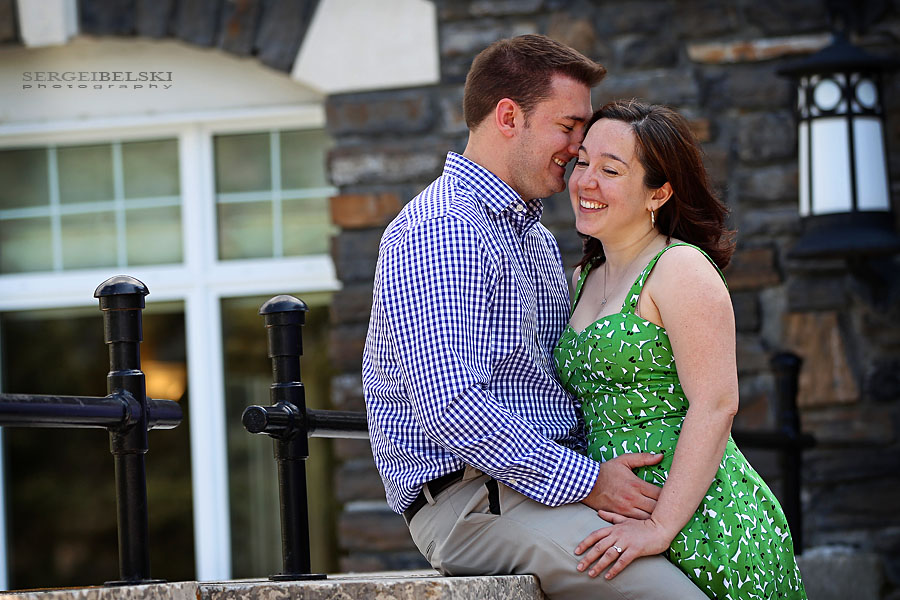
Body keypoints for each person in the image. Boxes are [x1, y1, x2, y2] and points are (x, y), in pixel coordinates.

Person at [362, 35, 708, 599]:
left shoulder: (537, 240)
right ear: (507, 117)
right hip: (474, 502)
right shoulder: (442, 227)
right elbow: (451, 408)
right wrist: (592, 481)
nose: (578, 148)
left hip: (546, 490)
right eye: (568, 127)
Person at [554, 100, 808, 599]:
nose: (585, 181)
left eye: (610, 170)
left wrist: (659, 527)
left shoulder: (679, 269)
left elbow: (716, 403)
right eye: (582, 162)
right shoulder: (581, 279)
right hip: (616, 516)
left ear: (660, 192)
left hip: (703, 523)